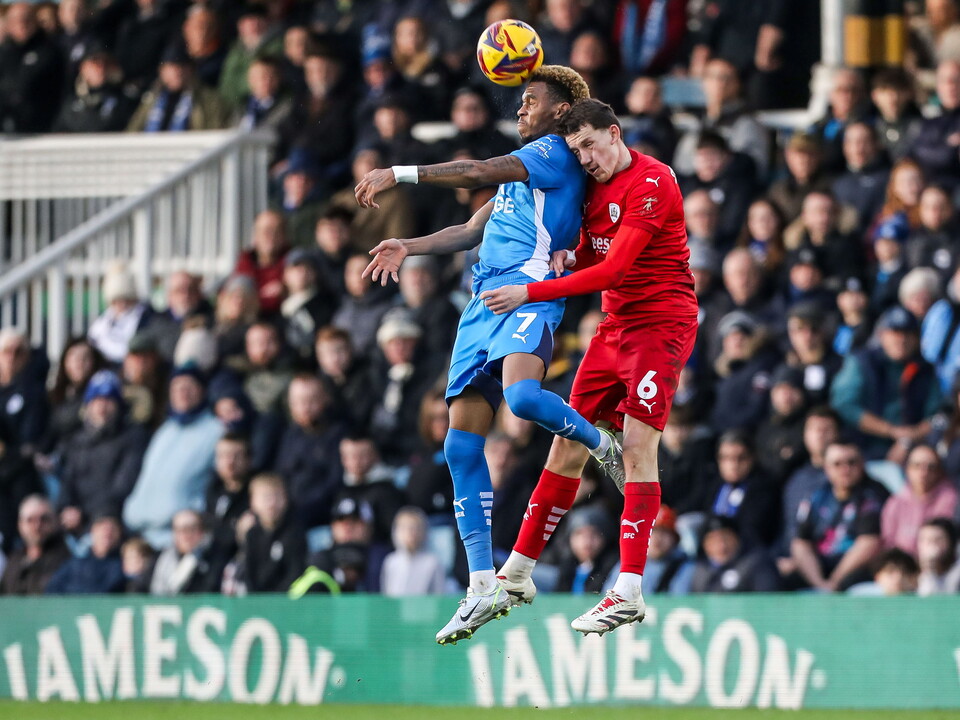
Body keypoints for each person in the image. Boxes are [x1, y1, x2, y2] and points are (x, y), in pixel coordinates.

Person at [357, 67, 625, 644]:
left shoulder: (554, 152)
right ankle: (482, 583)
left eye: (530, 99)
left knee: (522, 398)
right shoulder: (521, 175)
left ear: (559, 111)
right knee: (459, 444)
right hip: (482, 304)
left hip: (527, 291)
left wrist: (399, 173)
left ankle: (603, 445)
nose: (520, 109)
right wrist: (409, 245)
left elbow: (475, 171)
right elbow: (470, 229)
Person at [478, 98, 699, 635]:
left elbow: (616, 268)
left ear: (615, 134)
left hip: (660, 326)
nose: (585, 159)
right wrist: (572, 255)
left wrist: (530, 291)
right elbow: (596, 252)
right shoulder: (591, 185)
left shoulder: (653, 181)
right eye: (576, 151)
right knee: (566, 443)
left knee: (638, 446)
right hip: (614, 326)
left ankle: (629, 590)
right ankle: (517, 573)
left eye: (590, 146)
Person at [789, 441, 889, 591]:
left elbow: (869, 543)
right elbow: (801, 543)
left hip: (855, 569)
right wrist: (818, 582)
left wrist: (834, 581)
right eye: (837, 464)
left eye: (851, 462)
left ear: (862, 463)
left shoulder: (874, 494)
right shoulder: (816, 494)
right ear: (826, 467)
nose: (845, 469)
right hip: (819, 566)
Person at [881, 443, 958, 555]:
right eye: (917, 466)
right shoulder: (895, 502)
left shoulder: (950, 499)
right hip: (901, 561)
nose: (924, 472)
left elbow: (943, 541)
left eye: (931, 467)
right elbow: (888, 542)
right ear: (907, 469)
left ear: (939, 472)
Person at [0, 495, 71, 595]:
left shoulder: (66, 561)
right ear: (20, 525)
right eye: (30, 520)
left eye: (44, 519)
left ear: (55, 522)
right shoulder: (13, 561)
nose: (37, 526)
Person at [45, 514, 124, 594]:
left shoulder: (122, 566)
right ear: (92, 532)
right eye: (103, 529)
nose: (107, 533)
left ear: (119, 535)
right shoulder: (75, 564)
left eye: (112, 530)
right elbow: (53, 588)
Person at [380, 506, 446, 596]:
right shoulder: (391, 561)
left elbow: (439, 595)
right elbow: (386, 595)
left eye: (415, 528)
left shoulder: (433, 562)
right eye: (404, 528)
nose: (410, 533)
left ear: (423, 531)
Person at [916, 517, 960, 595]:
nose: (931, 545)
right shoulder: (911, 570)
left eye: (938, 540)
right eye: (925, 540)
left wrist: (930, 571)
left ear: (952, 543)